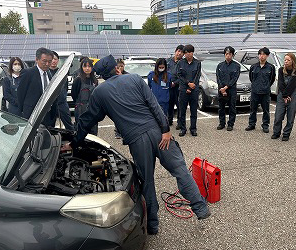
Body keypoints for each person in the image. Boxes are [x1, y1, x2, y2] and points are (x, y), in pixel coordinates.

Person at [61, 55, 210, 235]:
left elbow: (87, 120)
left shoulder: (99, 93)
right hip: (158, 134)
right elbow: (154, 104)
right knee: (180, 170)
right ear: (117, 68)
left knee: (147, 181)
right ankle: (200, 208)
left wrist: (74, 143)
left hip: (137, 141)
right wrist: (165, 130)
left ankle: (152, 226)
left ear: (100, 75)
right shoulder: (134, 79)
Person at [17, 47, 57, 127]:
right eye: (44, 61)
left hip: (48, 115)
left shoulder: (50, 74)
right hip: (32, 114)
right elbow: (20, 94)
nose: (47, 64)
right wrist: (23, 112)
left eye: (49, 61)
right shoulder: (28, 73)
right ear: (37, 59)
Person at [245, 47, 276, 133]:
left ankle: (265, 125)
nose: (262, 56)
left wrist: (266, 86)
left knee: (266, 110)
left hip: (265, 92)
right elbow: (251, 78)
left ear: (267, 56)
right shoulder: (253, 66)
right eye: (260, 54)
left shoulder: (271, 67)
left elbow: (272, 79)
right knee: (253, 109)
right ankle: (252, 124)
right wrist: (256, 85)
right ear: (258, 55)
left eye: (264, 54)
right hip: (255, 91)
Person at [271, 53, 296, 141]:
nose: (286, 62)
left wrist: (287, 95)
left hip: (293, 95)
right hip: (282, 95)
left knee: (290, 117)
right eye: (285, 60)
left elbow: (293, 84)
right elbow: (280, 83)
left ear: (293, 61)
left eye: (288, 60)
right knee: (278, 116)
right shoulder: (281, 70)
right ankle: (276, 132)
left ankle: (286, 134)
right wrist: (284, 96)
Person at [176, 44, 201, 137]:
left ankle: (193, 129)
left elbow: (197, 76)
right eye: (185, 53)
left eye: (189, 53)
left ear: (192, 53)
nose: (187, 55)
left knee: (194, 110)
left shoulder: (197, 63)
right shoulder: (180, 63)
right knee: (182, 111)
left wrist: (191, 87)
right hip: (183, 90)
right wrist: (188, 84)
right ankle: (183, 129)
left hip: (194, 90)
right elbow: (179, 75)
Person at [71, 57, 99, 135]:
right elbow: (74, 94)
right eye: (85, 66)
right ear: (81, 67)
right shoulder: (78, 80)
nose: (87, 68)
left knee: (93, 131)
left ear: (92, 68)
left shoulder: (95, 81)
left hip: (92, 109)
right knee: (81, 130)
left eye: (89, 66)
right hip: (80, 109)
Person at [216, 46, 240, 131]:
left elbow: (235, 78)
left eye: (230, 54)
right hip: (221, 90)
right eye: (226, 54)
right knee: (221, 108)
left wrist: (226, 87)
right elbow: (218, 78)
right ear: (224, 55)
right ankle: (222, 123)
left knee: (232, 108)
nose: (228, 56)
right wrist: (222, 89)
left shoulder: (236, 66)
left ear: (232, 55)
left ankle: (230, 124)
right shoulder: (220, 66)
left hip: (232, 90)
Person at [50, 51, 74, 131]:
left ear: (58, 60)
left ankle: (72, 141)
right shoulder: (46, 73)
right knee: (50, 126)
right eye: (52, 59)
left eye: (55, 59)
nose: (53, 61)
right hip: (49, 105)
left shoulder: (62, 72)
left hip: (62, 103)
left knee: (69, 125)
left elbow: (65, 87)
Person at [167, 45, 184, 129]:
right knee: (169, 104)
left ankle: (179, 122)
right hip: (169, 87)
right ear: (175, 51)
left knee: (179, 105)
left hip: (179, 87)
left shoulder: (183, 63)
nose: (179, 53)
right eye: (178, 51)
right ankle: (169, 120)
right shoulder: (168, 61)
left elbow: (183, 76)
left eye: (181, 52)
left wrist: (175, 82)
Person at [114, 59, 128, 139]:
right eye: (119, 66)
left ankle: (124, 131)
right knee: (117, 115)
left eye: (122, 66)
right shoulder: (113, 74)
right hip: (116, 97)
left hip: (125, 97)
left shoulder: (127, 75)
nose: (120, 68)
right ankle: (117, 132)